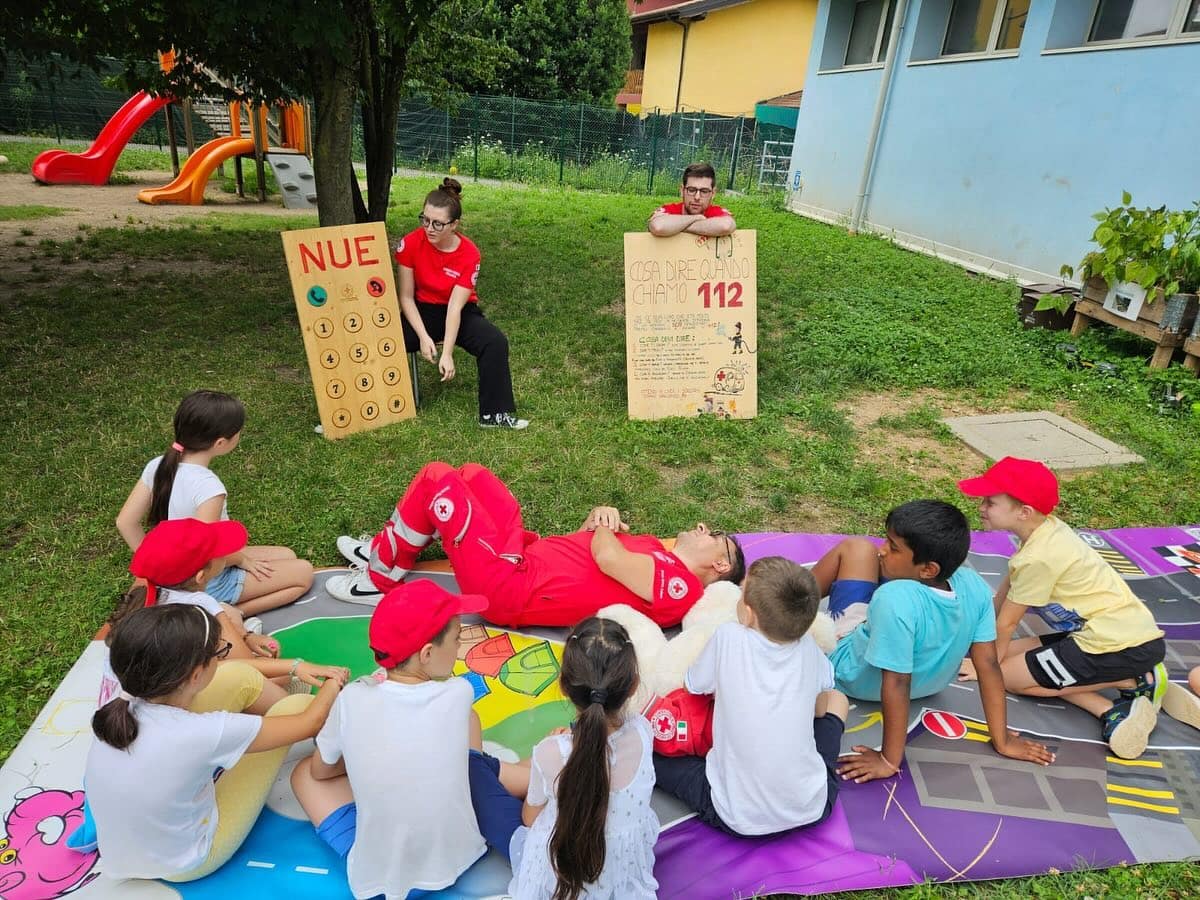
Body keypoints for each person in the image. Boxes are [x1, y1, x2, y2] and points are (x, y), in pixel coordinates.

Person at [82, 604, 343, 882]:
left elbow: (233, 669)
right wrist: (334, 682)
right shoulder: (202, 732)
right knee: (296, 706)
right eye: (218, 654)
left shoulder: (121, 702)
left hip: (128, 851)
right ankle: (340, 754)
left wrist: (295, 667)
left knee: (240, 678)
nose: (222, 660)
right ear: (195, 676)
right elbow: (308, 721)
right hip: (187, 862)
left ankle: (281, 722)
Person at [326, 461, 745, 627]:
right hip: (523, 558)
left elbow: (605, 555)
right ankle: (389, 548)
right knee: (472, 477)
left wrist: (606, 522)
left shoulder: (680, 586)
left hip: (510, 588)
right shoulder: (655, 546)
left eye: (714, 535)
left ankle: (378, 578)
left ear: (721, 566)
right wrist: (598, 519)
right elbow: (587, 544)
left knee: (439, 479)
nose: (703, 527)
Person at [814, 500, 1055, 782]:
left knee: (856, 549)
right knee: (870, 560)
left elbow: (897, 681)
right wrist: (1001, 739)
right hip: (930, 684)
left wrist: (889, 760)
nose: (882, 549)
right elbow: (988, 664)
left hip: (852, 677)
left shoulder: (892, 599)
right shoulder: (975, 586)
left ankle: (779, 601)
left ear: (928, 569)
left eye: (892, 547)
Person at [958, 457, 1174, 759]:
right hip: (1113, 634)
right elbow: (1005, 592)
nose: (981, 507)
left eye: (990, 502)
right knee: (1011, 653)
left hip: (1116, 646)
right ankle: (1131, 678)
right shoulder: (1046, 531)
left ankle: (1129, 685)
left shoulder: (1039, 558)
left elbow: (1006, 624)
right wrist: (976, 639)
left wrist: (983, 667)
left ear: (1024, 512)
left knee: (1005, 676)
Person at [290, 581, 493, 900]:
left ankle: (376, 842)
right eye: (457, 639)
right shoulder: (459, 692)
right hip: (457, 857)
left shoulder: (352, 698)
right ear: (427, 654)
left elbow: (321, 772)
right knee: (468, 722)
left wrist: (363, 757)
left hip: (377, 881)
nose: (460, 647)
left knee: (303, 773)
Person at [650, 557, 848, 836]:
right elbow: (819, 709)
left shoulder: (728, 636)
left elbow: (693, 685)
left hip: (736, 816)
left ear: (749, 613)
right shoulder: (808, 647)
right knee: (837, 701)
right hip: (812, 806)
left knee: (654, 751)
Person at [470, 616, 658, 900]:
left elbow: (530, 819)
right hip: (622, 875)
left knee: (474, 772)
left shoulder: (551, 752)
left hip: (559, 876)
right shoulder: (644, 732)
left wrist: (553, 752)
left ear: (563, 685)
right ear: (633, 686)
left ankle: (492, 767)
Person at [115, 389, 314, 616]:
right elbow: (204, 553)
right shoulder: (209, 488)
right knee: (304, 574)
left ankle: (201, 598)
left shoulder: (158, 464)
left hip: (181, 573)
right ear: (221, 442)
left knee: (286, 554)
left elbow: (125, 522)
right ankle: (226, 612)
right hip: (204, 581)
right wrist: (240, 559)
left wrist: (159, 567)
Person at [396, 177, 528, 429]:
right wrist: (424, 337)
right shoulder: (411, 243)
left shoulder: (469, 253)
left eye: (438, 223)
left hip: (458, 311)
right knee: (380, 340)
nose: (429, 228)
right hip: (421, 310)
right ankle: (368, 407)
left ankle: (494, 415)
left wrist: (446, 354)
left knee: (494, 342)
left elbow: (455, 308)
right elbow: (405, 296)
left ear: (454, 224)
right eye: (425, 219)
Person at [647, 163, 736, 238]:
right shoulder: (670, 209)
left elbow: (726, 226)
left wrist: (677, 227)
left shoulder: (716, 211)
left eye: (704, 191)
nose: (697, 197)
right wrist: (697, 218)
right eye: (692, 190)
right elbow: (658, 226)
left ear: (713, 193)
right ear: (682, 190)